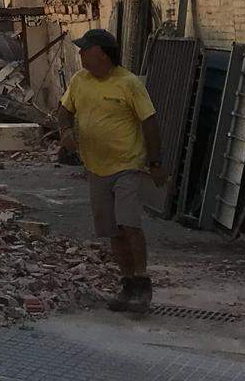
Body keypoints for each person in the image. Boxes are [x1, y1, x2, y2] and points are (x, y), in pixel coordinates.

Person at [57, 27, 165, 314]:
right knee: (113, 230)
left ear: (102, 54)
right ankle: (127, 283)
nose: (80, 54)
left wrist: (155, 163)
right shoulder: (80, 81)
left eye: (85, 49)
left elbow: (149, 122)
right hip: (96, 166)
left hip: (127, 164)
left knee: (130, 223)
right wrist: (65, 130)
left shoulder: (128, 83)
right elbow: (64, 110)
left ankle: (142, 283)